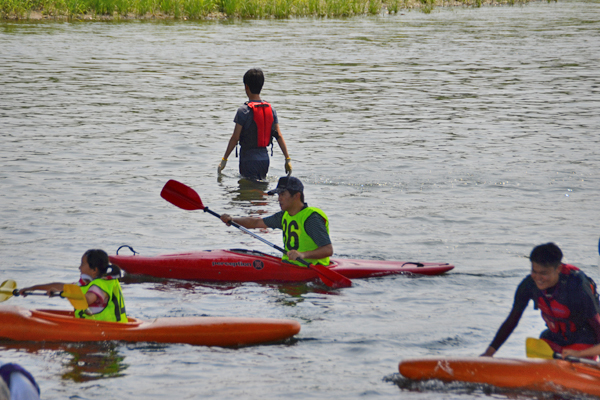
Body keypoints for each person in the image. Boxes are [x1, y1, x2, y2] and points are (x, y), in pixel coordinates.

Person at [481, 243, 600, 357]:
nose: (538, 278)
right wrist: (489, 353)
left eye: (543, 273)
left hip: (585, 342)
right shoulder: (529, 285)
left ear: (558, 268)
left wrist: (581, 354)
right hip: (555, 340)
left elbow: (597, 326)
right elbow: (512, 320)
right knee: (542, 340)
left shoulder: (577, 285)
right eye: (534, 271)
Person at [220, 176, 333, 266]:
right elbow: (255, 223)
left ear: (296, 196)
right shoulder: (284, 216)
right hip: (289, 265)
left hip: (311, 269)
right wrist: (232, 219)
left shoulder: (311, 218)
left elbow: (328, 250)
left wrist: (302, 255)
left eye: (283, 194)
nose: (279, 199)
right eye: (278, 195)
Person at [217, 68, 292, 181]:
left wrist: (224, 159)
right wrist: (287, 159)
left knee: (249, 192)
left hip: (248, 160)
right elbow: (279, 136)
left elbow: (235, 138)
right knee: (260, 191)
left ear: (246, 87)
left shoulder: (243, 111)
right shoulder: (271, 110)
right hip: (264, 160)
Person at [19, 249, 127, 323]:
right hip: (93, 326)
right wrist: (31, 288)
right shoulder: (86, 284)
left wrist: (65, 293)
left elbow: (87, 300)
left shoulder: (100, 285)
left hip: (110, 328)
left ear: (94, 270)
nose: (79, 268)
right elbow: (60, 286)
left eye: (82, 264)